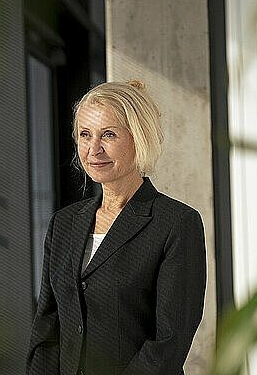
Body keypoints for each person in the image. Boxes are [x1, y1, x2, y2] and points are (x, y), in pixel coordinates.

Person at [26, 80, 206, 375]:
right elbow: (48, 325)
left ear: (139, 138)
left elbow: (168, 343)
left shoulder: (176, 223)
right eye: (85, 135)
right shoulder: (63, 223)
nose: (93, 149)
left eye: (108, 134)